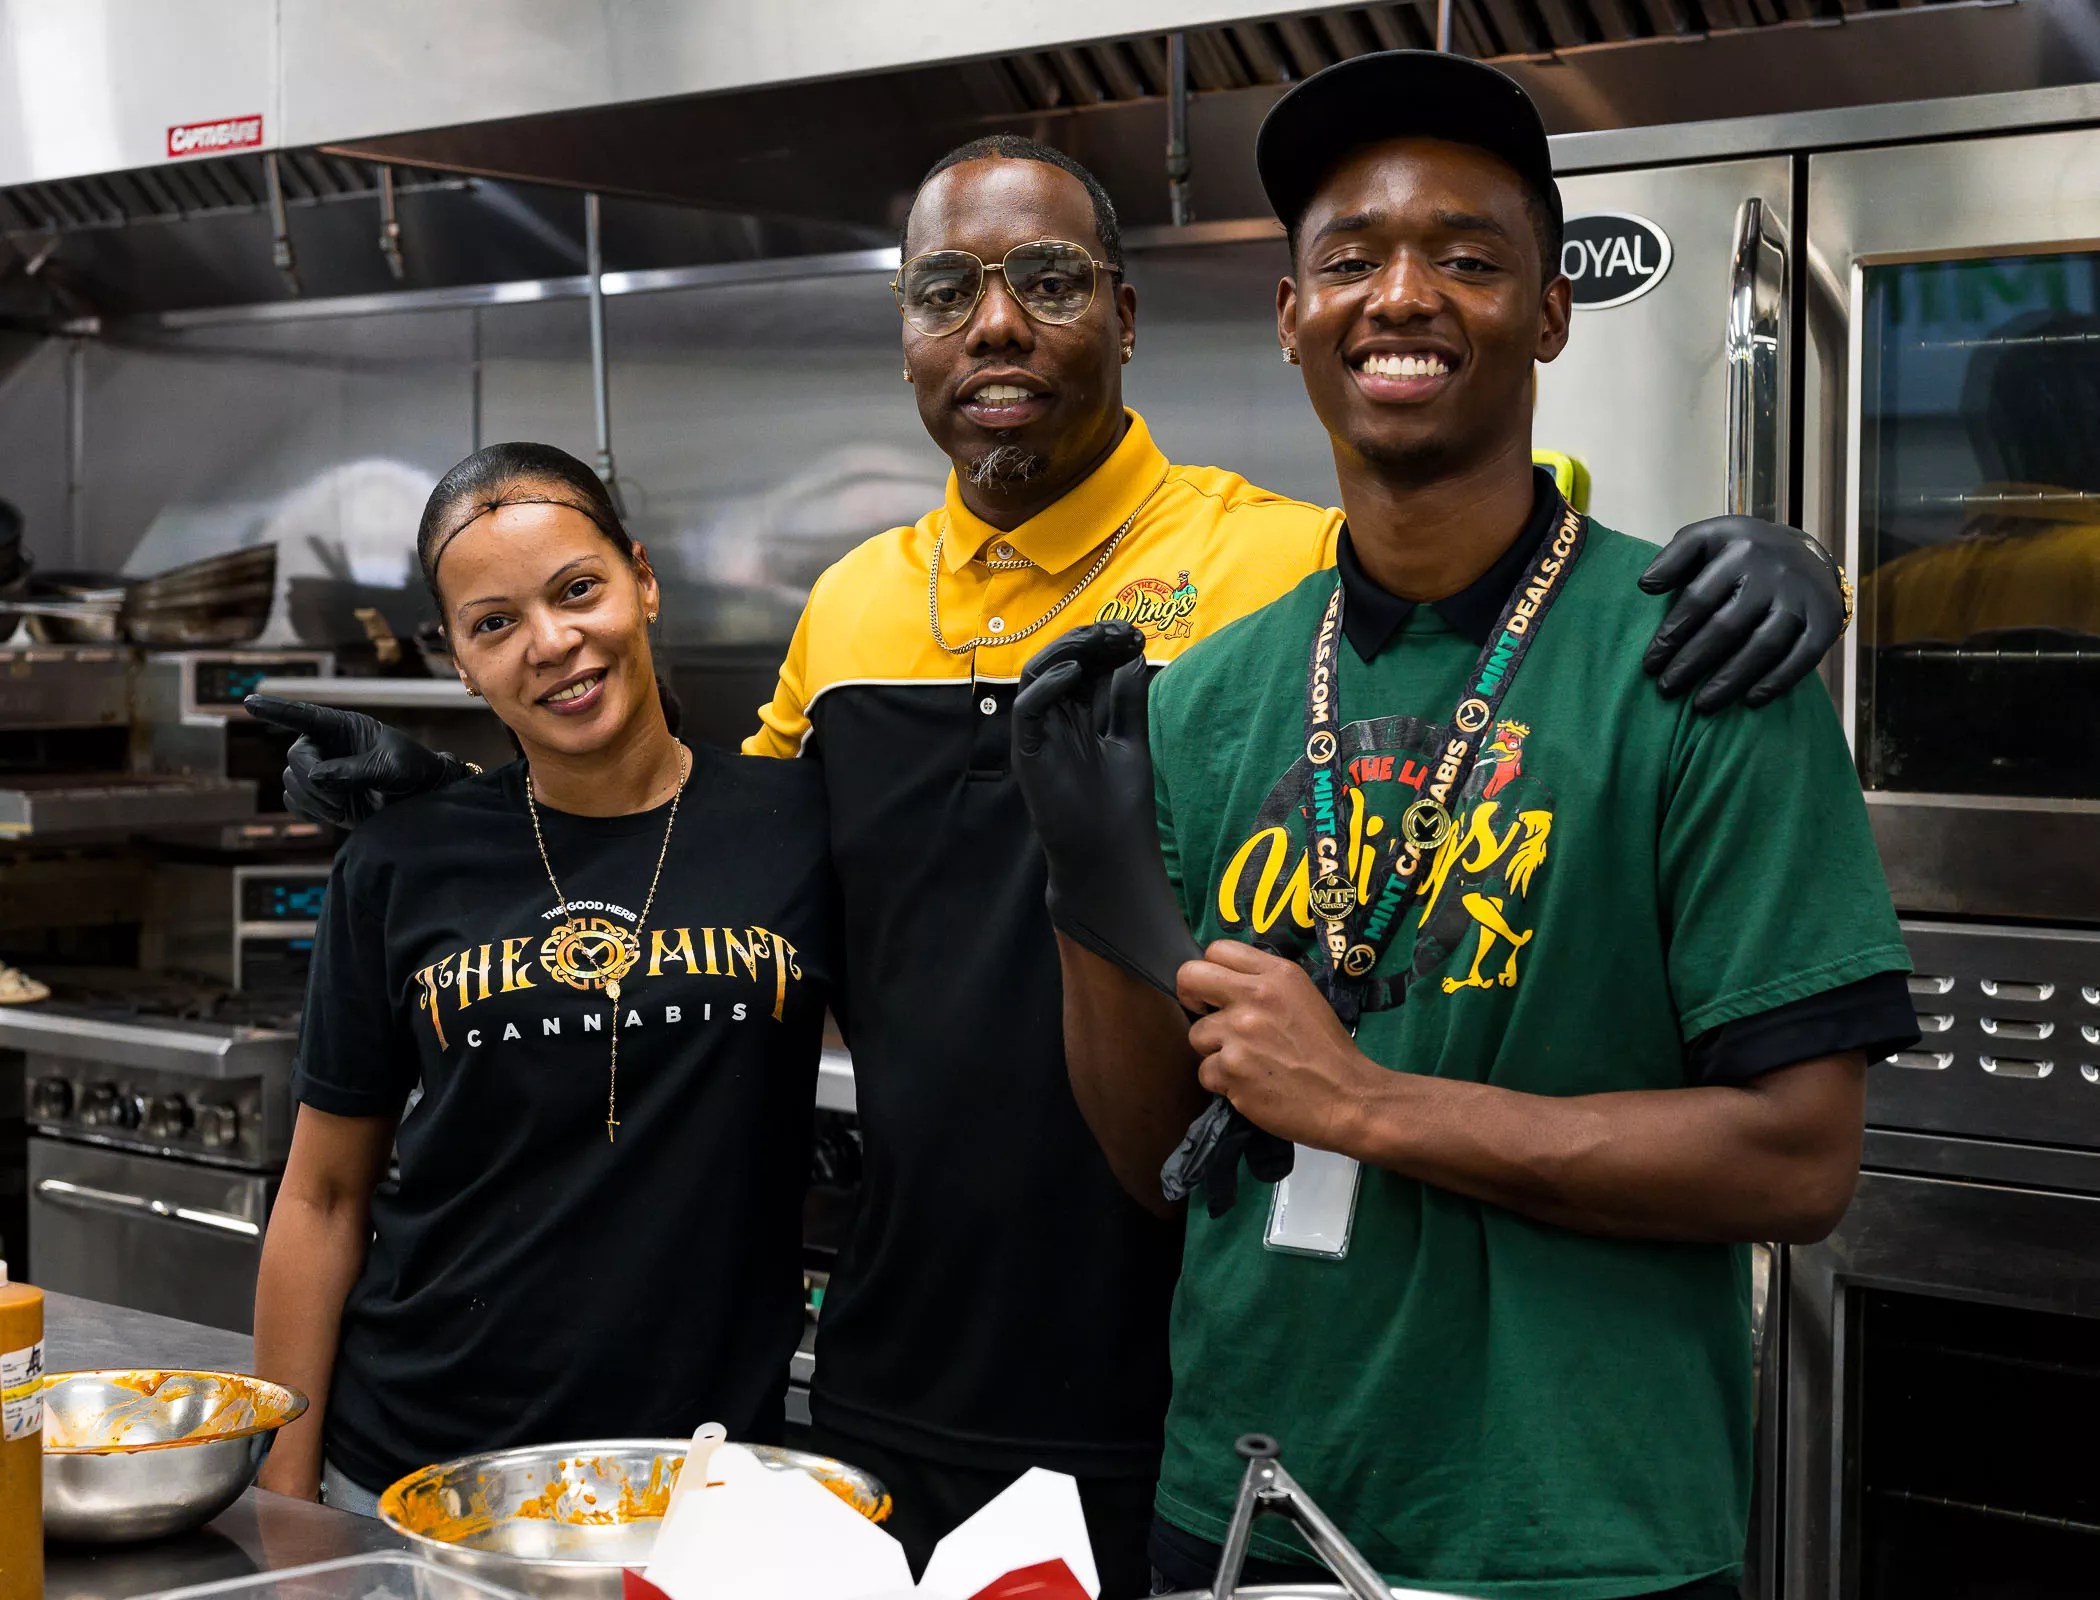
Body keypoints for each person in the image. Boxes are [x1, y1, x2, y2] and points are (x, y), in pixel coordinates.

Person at [248, 138, 1846, 1588]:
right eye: (947, 291)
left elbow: (1477, 559)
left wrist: (1769, 562)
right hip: (898, 1356)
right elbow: (720, 854)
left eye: (1051, 282)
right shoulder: (852, 608)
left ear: (1128, 319)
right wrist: (465, 814)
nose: (996, 326)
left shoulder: (1266, 559)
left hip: (1189, 1356)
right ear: (906, 338)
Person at [1017, 53, 1918, 1599]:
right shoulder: (1210, 696)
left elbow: (1796, 1163)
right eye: (1350, 259)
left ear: (1552, 312)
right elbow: (1156, 1152)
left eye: (1469, 258)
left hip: (1580, 1536)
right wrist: (1088, 899)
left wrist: (1367, 1103)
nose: (1402, 295)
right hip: (1245, 1499)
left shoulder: (1699, 667)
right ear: (1291, 314)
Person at [249, 443, 833, 1514]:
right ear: (460, 662)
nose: (552, 643)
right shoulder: (397, 861)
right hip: (415, 1466)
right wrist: (285, 1496)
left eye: (576, 590)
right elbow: (323, 1195)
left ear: (642, 581)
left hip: (701, 1478)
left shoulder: (799, 826)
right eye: (494, 623)